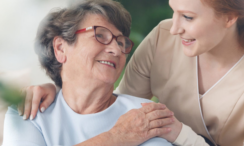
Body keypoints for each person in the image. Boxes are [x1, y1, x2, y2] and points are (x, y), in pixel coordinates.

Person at [20, 0, 244, 145]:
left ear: (229, 17)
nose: (174, 27)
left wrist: (177, 133)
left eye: (188, 17)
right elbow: (115, 111)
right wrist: (61, 89)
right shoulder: (164, 37)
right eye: (173, 11)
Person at [2, 0, 176, 145]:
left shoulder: (144, 116)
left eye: (122, 42)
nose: (116, 50)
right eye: (100, 35)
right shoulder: (28, 110)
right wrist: (116, 137)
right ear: (61, 48)